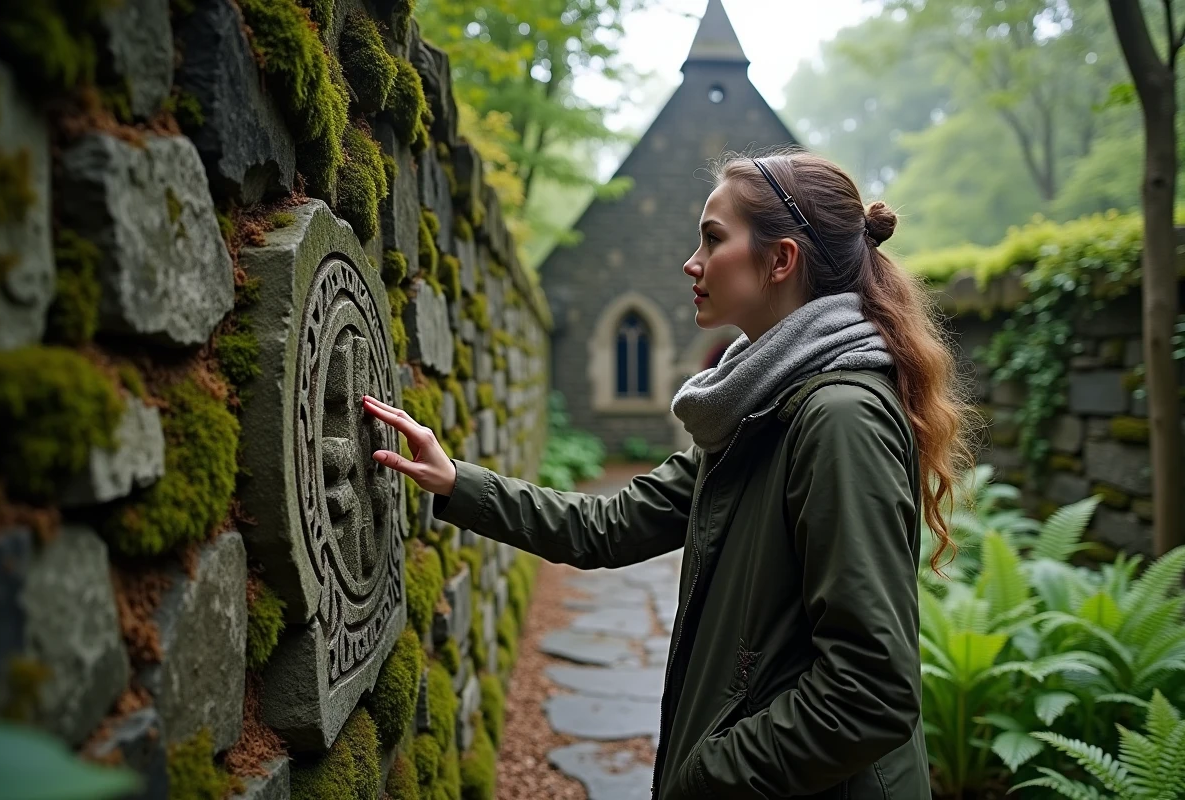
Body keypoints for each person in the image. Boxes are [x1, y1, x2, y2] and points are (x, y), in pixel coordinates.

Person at [363, 148, 973, 799]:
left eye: (713, 238)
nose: (692, 261)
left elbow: (870, 694)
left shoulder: (838, 419)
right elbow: (609, 527)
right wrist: (458, 481)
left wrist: (707, 776)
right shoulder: (760, 404)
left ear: (780, 260)